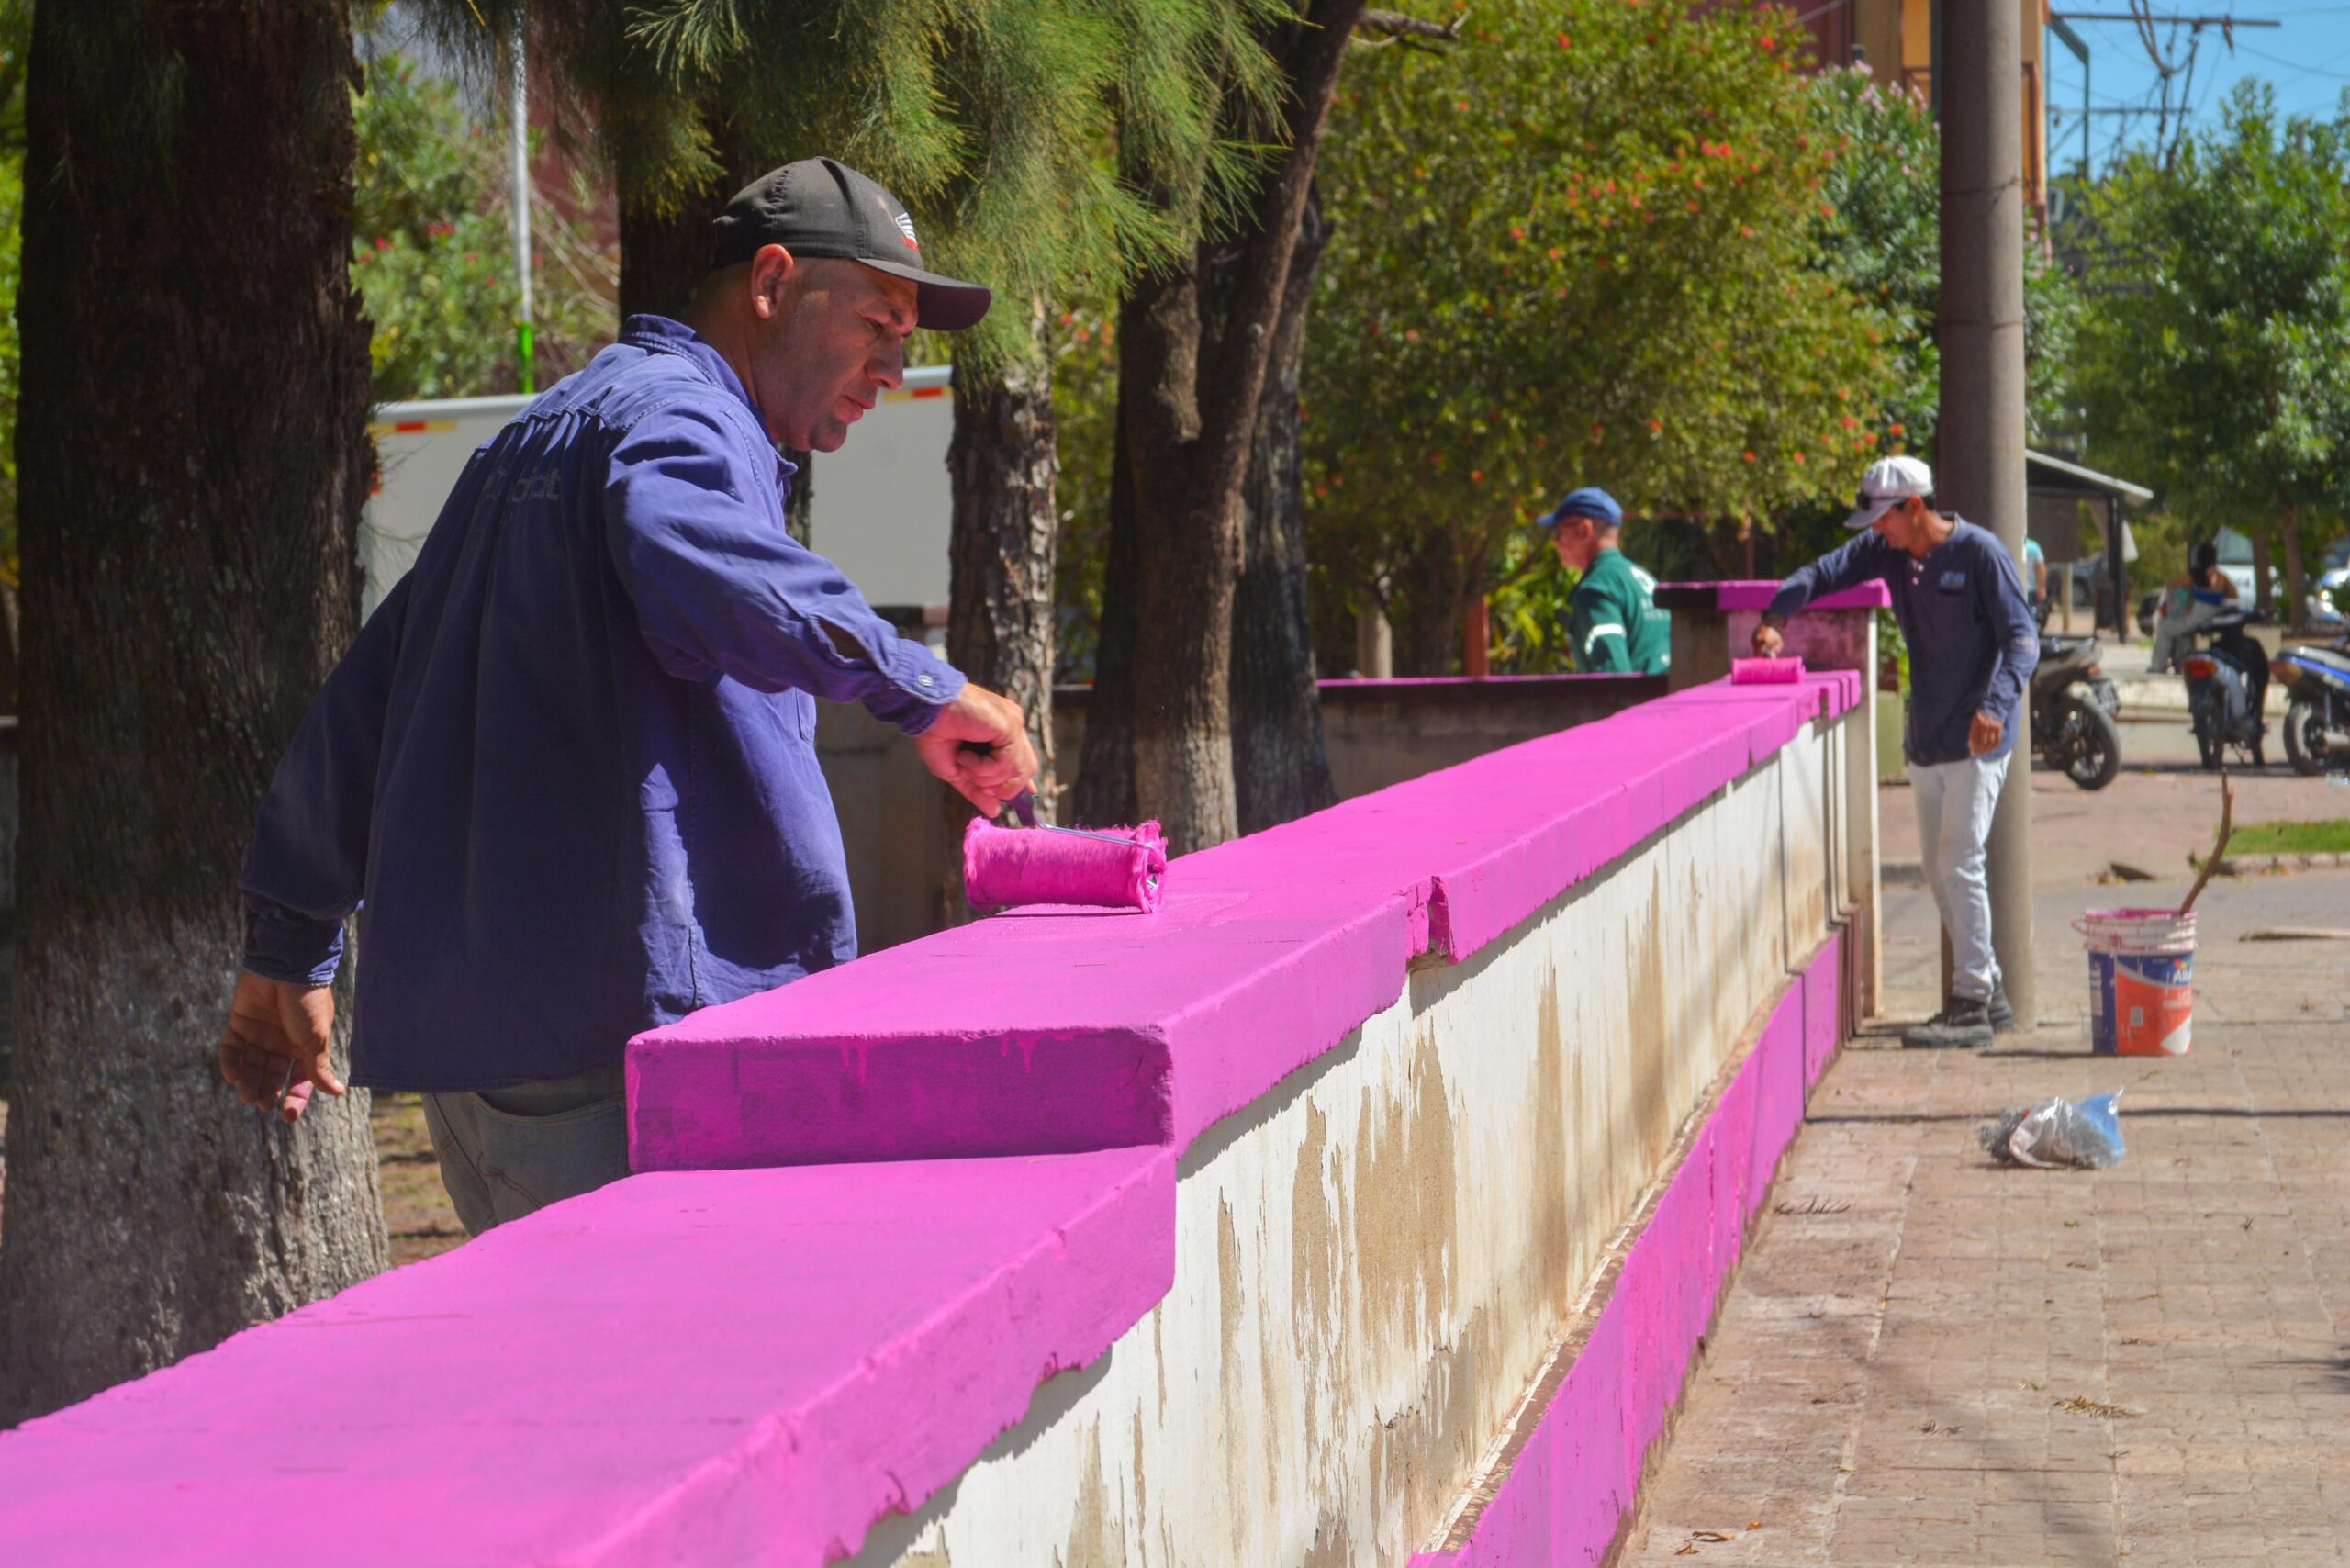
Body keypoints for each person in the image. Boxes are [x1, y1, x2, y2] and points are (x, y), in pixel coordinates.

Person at [219, 159, 1039, 1234]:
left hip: (494, 1074)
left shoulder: (531, 438)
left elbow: (372, 701)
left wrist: (287, 944)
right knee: (693, 1344)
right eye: (878, 322)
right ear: (773, 282)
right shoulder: (681, 420)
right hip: (622, 1059)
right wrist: (919, 688)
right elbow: (695, 552)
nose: (895, 363)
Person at [1753, 455, 2037, 1049]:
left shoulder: (1980, 554)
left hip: (1978, 738)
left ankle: (1971, 1003)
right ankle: (1992, 993)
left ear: (1915, 507)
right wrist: (1777, 616)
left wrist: (1996, 705)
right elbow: (1825, 571)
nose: (1877, 532)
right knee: (1938, 868)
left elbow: (2022, 639)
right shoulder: (1889, 554)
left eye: (1884, 519)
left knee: (1960, 861)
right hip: (1927, 739)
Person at [1541, 486, 1671, 675]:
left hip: (1643, 696)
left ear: (1584, 529)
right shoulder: (1643, 579)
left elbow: (1613, 680)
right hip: (1679, 693)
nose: (1555, 541)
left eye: (1558, 532)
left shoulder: (1596, 589)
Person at [2148, 540, 2239, 673]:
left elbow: (2173, 586)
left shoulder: (2196, 575)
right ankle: (2182, 665)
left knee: (2165, 628)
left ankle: (2157, 666)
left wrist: (2172, 602)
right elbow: (2234, 595)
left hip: (2197, 616)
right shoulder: (2221, 576)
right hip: (2213, 616)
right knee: (2183, 632)